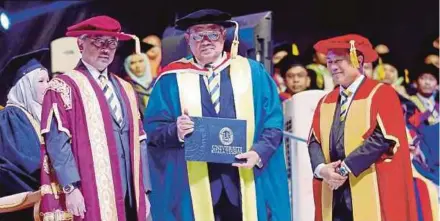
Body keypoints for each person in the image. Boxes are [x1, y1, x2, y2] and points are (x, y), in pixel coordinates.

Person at [144, 9, 291, 221]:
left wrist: (259, 152)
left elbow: (273, 122)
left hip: (245, 180)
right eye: (197, 34)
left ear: (223, 35)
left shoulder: (252, 72)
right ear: (188, 38)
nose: (206, 40)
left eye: (212, 33)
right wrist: (175, 131)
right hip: (191, 186)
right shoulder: (170, 79)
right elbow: (153, 130)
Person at [39, 15, 151, 221]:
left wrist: (144, 188)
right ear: (80, 44)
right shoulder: (64, 86)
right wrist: (71, 188)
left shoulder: (126, 88)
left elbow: (140, 140)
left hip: (131, 188)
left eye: (112, 42)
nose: (106, 49)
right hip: (91, 187)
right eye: (98, 41)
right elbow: (57, 142)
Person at [307, 34, 418, 221]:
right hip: (334, 193)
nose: (333, 67)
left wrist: (345, 169)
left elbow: (382, 138)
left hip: (370, 184)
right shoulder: (326, 100)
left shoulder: (381, 93)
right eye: (329, 61)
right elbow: (314, 140)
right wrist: (321, 169)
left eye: (338, 61)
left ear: (357, 60)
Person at [0, 48, 50, 220]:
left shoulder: (41, 115)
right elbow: (21, 162)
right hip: (24, 205)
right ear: (25, 86)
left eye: (48, 80)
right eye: (41, 81)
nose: (48, 86)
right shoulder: (12, 116)